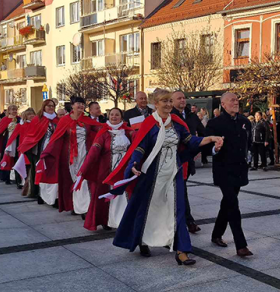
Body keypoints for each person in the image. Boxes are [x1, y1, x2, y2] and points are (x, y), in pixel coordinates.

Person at [105, 88, 222, 264]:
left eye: (169, 101)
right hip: (151, 175)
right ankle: (141, 240)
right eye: (164, 101)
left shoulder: (176, 122)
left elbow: (190, 141)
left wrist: (210, 138)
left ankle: (182, 250)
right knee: (146, 209)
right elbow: (139, 147)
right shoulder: (149, 123)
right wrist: (134, 163)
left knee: (178, 210)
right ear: (156, 104)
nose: (168, 104)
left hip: (173, 173)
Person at [204, 92, 253, 256]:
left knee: (227, 203)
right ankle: (241, 245)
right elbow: (205, 147)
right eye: (232, 100)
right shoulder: (214, 123)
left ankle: (216, 234)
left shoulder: (245, 122)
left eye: (237, 100)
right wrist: (215, 149)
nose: (236, 102)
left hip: (239, 170)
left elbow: (249, 143)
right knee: (233, 205)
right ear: (223, 104)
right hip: (223, 170)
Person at [35, 97, 97, 210]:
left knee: (83, 178)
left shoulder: (87, 120)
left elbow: (101, 130)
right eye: (78, 103)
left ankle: (83, 207)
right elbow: (56, 138)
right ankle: (73, 205)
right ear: (72, 105)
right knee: (71, 179)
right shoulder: (64, 120)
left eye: (83, 104)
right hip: (68, 155)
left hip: (84, 152)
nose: (81, 106)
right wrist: (46, 154)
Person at [76, 107, 132, 231]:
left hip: (124, 169)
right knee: (106, 195)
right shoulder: (104, 133)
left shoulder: (128, 132)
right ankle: (106, 220)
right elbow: (93, 152)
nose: (114, 117)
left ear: (121, 117)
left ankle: (122, 220)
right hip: (107, 170)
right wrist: (83, 170)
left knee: (124, 195)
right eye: (112, 115)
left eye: (117, 115)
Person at [171, 89, 205, 233]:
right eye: (179, 98)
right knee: (176, 192)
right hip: (171, 160)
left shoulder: (192, 116)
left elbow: (203, 134)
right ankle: (183, 221)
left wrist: (196, 151)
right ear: (172, 101)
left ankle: (187, 220)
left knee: (182, 191)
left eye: (183, 98)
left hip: (186, 160)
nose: (182, 100)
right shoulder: (169, 116)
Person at [20, 99, 62, 199]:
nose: (51, 108)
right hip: (40, 150)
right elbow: (32, 134)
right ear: (44, 107)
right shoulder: (38, 119)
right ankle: (37, 192)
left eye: (52, 106)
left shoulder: (57, 120)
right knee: (39, 171)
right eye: (49, 106)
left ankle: (51, 194)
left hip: (54, 150)